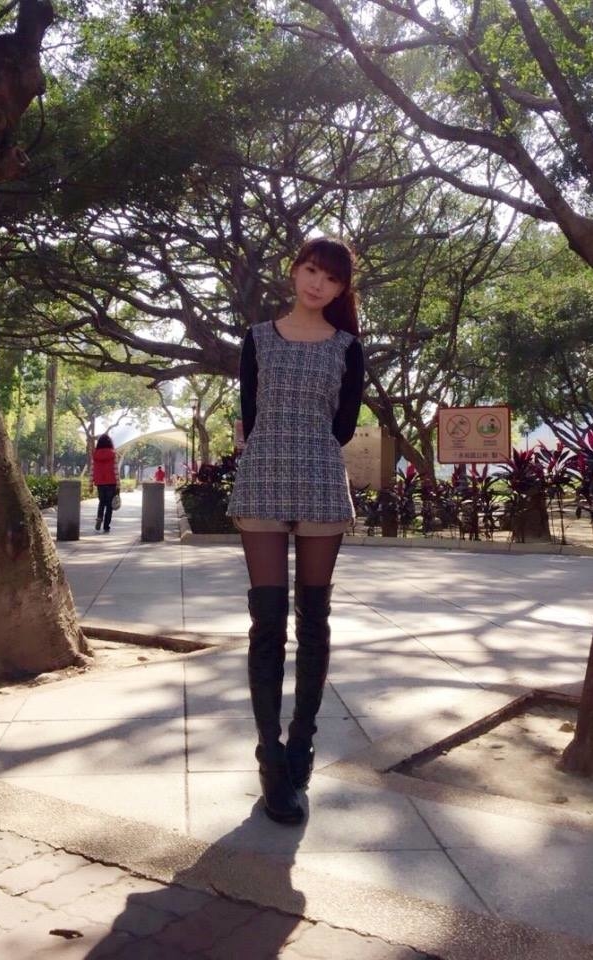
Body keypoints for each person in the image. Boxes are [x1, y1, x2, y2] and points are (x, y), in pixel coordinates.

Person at [227, 236, 364, 825]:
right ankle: (270, 757)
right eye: (311, 270)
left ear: (341, 289)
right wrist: (281, 446)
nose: (317, 284)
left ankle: (302, 740)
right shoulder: (257, 338)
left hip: (321, 483)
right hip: (261, 479)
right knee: (267, 620)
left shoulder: (347, 347)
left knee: (314, 618)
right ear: (294, 271)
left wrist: (306, 448)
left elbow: (344, 424)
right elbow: (250, 412)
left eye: (330, 278)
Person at [91, 434, 120, 533]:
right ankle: (106, 526)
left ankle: (99, 517)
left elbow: (92, 470)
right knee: (109, 505)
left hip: (100, 483)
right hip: (111, 482)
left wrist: (90, 484)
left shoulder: (95, 454)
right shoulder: (113, 454)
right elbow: (115, 470)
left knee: (102, 502)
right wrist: (118, 484)